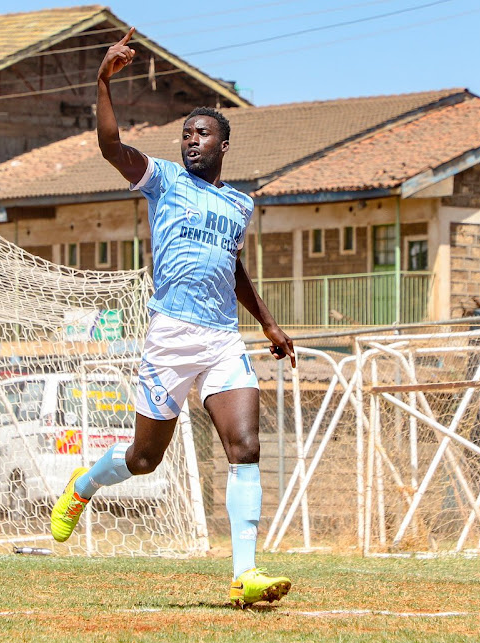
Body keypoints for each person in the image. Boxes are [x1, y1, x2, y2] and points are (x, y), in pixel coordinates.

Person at [50, 27, 296, 608]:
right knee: (144, 458)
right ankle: (83, 485)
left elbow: (232, 268)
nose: (191, 140)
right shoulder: (163, 181)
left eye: (202, 133)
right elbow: (112, 147)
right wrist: (104, 81)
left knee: (246, 445)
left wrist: (265, 321)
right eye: (185, 133)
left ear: (223, 144)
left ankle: (244, 573)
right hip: (170, 334)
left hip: (220, 339)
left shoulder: (240, 204)